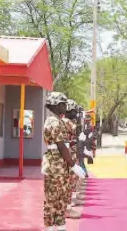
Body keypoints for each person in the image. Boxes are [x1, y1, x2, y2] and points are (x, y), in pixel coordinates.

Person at [42, 92, 85, 231]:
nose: (64, 107)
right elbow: (61, 145)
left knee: (61, 198)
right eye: (62, 104)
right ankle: (50, 227)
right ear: (55, 105)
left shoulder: (58, 120)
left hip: (61, 165)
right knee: (52, 200)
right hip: (55, 166)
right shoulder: (53, 121)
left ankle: (60, 226)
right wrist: (73, 165)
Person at [63, 99, 84, 218]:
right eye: (73, 110)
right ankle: (67, 207)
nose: (75, 113)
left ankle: (72, 200)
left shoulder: (69, 122)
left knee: (72, 179)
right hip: (67, 154)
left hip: (72, 152)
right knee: (68, 181)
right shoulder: (66, 122)